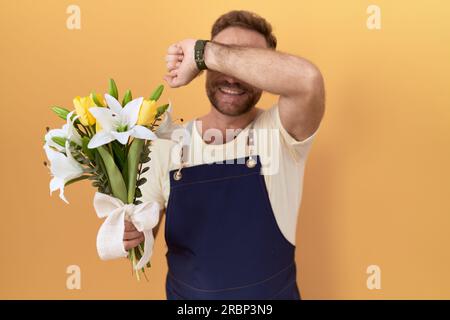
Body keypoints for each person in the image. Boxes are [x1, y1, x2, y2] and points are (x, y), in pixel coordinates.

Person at [123, 10, 325, 300]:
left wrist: (203, 51)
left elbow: (308, 80)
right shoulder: (167, 143)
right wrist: (130, 233)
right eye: (222, 58)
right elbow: (143, 239)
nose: (233, 77)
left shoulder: (281, 134)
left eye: (245, 62)